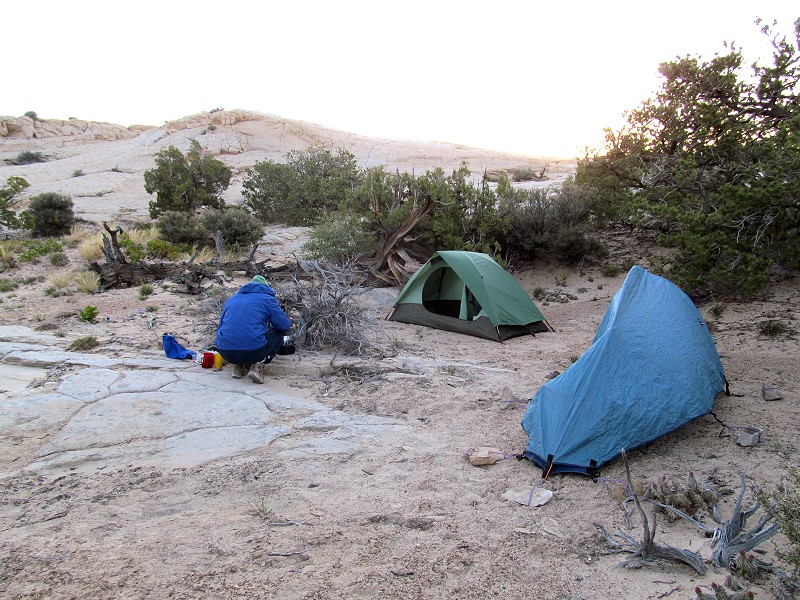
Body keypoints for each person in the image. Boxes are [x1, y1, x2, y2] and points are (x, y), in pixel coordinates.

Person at [215, 275, 292, 383]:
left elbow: (220, 327)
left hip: (225, 352)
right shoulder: (267, 299)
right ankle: (257, 367)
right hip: (253, 351)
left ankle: (238, 367)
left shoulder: (231, 300)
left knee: (239, 336)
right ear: (265, 287)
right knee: (278, 335)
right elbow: (284, 325)